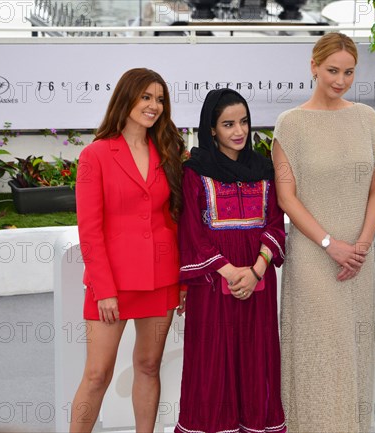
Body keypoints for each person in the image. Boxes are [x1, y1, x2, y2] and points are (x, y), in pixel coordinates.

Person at [272, 32, 375, 432]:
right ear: (314, 67)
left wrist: (361, 245)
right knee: (320, 351)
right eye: (333, 70)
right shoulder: (291, 124)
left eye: (349, 72)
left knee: (353, 352)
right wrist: (329, 244)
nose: (340, 80)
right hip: (313, 257)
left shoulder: (367, 118)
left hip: (357, 258)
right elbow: (287, 197)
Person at [71, 68, 185, 433]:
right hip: (113, 284)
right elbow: (89, 229)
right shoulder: (96, 155)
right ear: (127, 98)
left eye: (160, 99)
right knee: (97, 373)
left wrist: (182, 282)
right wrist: (104, 290)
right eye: (146, 97)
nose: (153, 106)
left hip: (161, 278)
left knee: (149, 366)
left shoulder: (168, 151)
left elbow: (177, 219)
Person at [175, 88, 286, 433]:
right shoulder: (194, 171)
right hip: (212, 285)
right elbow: (192, 231)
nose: (239, 131)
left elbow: (274, 224)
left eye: (244, 122)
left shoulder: (265, 169)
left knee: (256, 360)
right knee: (211, 363)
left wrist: (255, 271)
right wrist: (230, 272)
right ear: (211, 129)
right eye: (228, 124)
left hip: (258, 283)